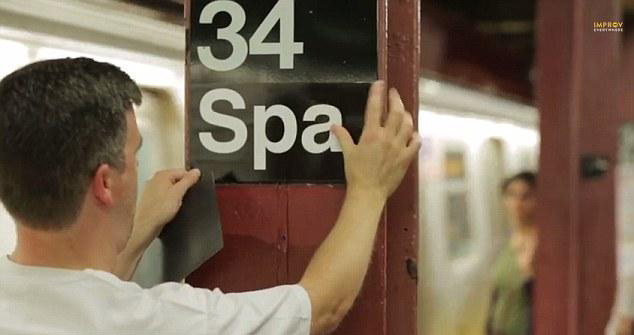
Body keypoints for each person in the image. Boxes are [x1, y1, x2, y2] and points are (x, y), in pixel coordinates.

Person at [0, 58, 420, 335]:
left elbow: (83, 299)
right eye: (135, 154)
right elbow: (322, 305)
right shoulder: (162, 321)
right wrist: (369, 188)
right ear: (105, 185)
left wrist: (138, 231)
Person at [486, 171, 538, 335]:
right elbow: (497, 296)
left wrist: (529, 273)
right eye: (511, 195)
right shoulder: (504, 244)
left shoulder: (543, 244)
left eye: (526, 196)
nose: (517, 203)